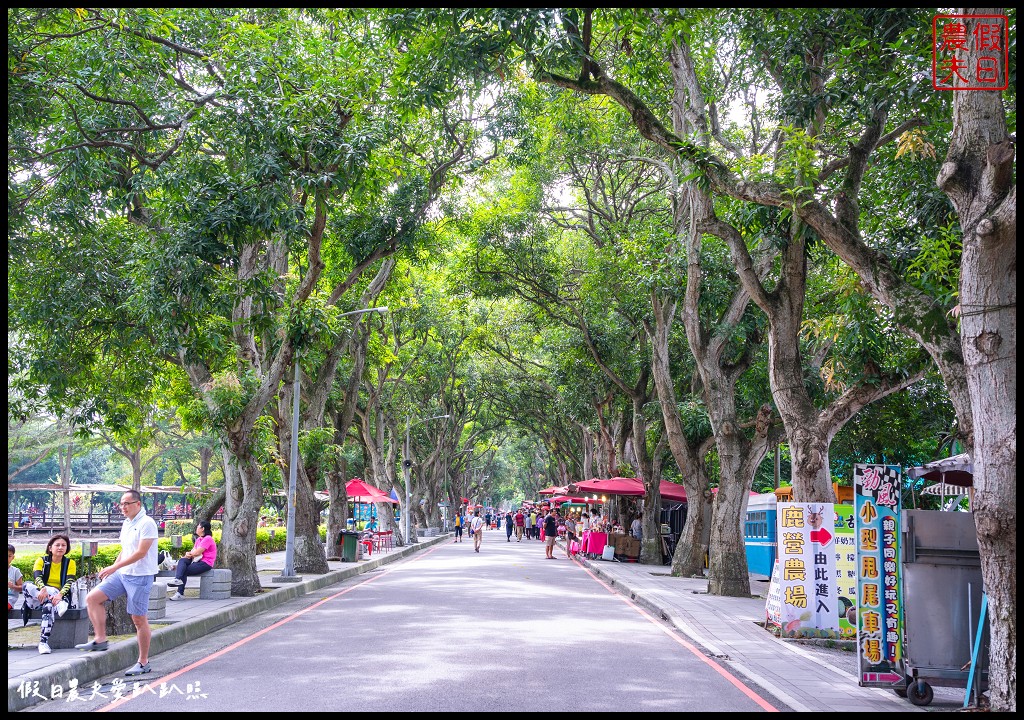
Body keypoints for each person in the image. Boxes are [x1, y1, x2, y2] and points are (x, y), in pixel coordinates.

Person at [77, 489, 159, 677]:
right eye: (121, 504)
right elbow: (125, 550)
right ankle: (100, 639)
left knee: (138, 619)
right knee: (92, 598)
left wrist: (114, 568)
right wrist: (113, 567)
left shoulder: (147, 523)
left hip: (140, 576)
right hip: (122, 574)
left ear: (138, 504)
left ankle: (143, 662)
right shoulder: (127, 523)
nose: (122, 507)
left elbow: (140, 553)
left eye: (127, 503)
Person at [22, 534, 77, 654]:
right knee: (26, 585)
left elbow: (69, 582)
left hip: (56, 597)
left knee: (48, 607)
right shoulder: (41, 560)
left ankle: (43, 642)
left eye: (63, 545)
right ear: (50, 547)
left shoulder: (70, 563)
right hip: (38, 598)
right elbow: (37, 577)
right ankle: (59, 602)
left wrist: (59, 595)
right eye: (57, 545)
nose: (60, 547)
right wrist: (43, 589)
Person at [167, 521, 217, 601]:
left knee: (184, 570)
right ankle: (177, 580)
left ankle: (180, 592)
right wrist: (187, 555)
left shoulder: (208, 539)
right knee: (182, 560)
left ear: (202, 528)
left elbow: (197, 552)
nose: (196, 528)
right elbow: (193, 551)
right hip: (197, 561)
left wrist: (189, 554)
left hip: (205, 563)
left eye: (198, 526)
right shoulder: (199, 540)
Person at [8, 544, 24, 611]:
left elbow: (22, 588)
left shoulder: (15, 571)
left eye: (9, 556)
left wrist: (13, 586)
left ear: (13, 557)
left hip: (9, 599)